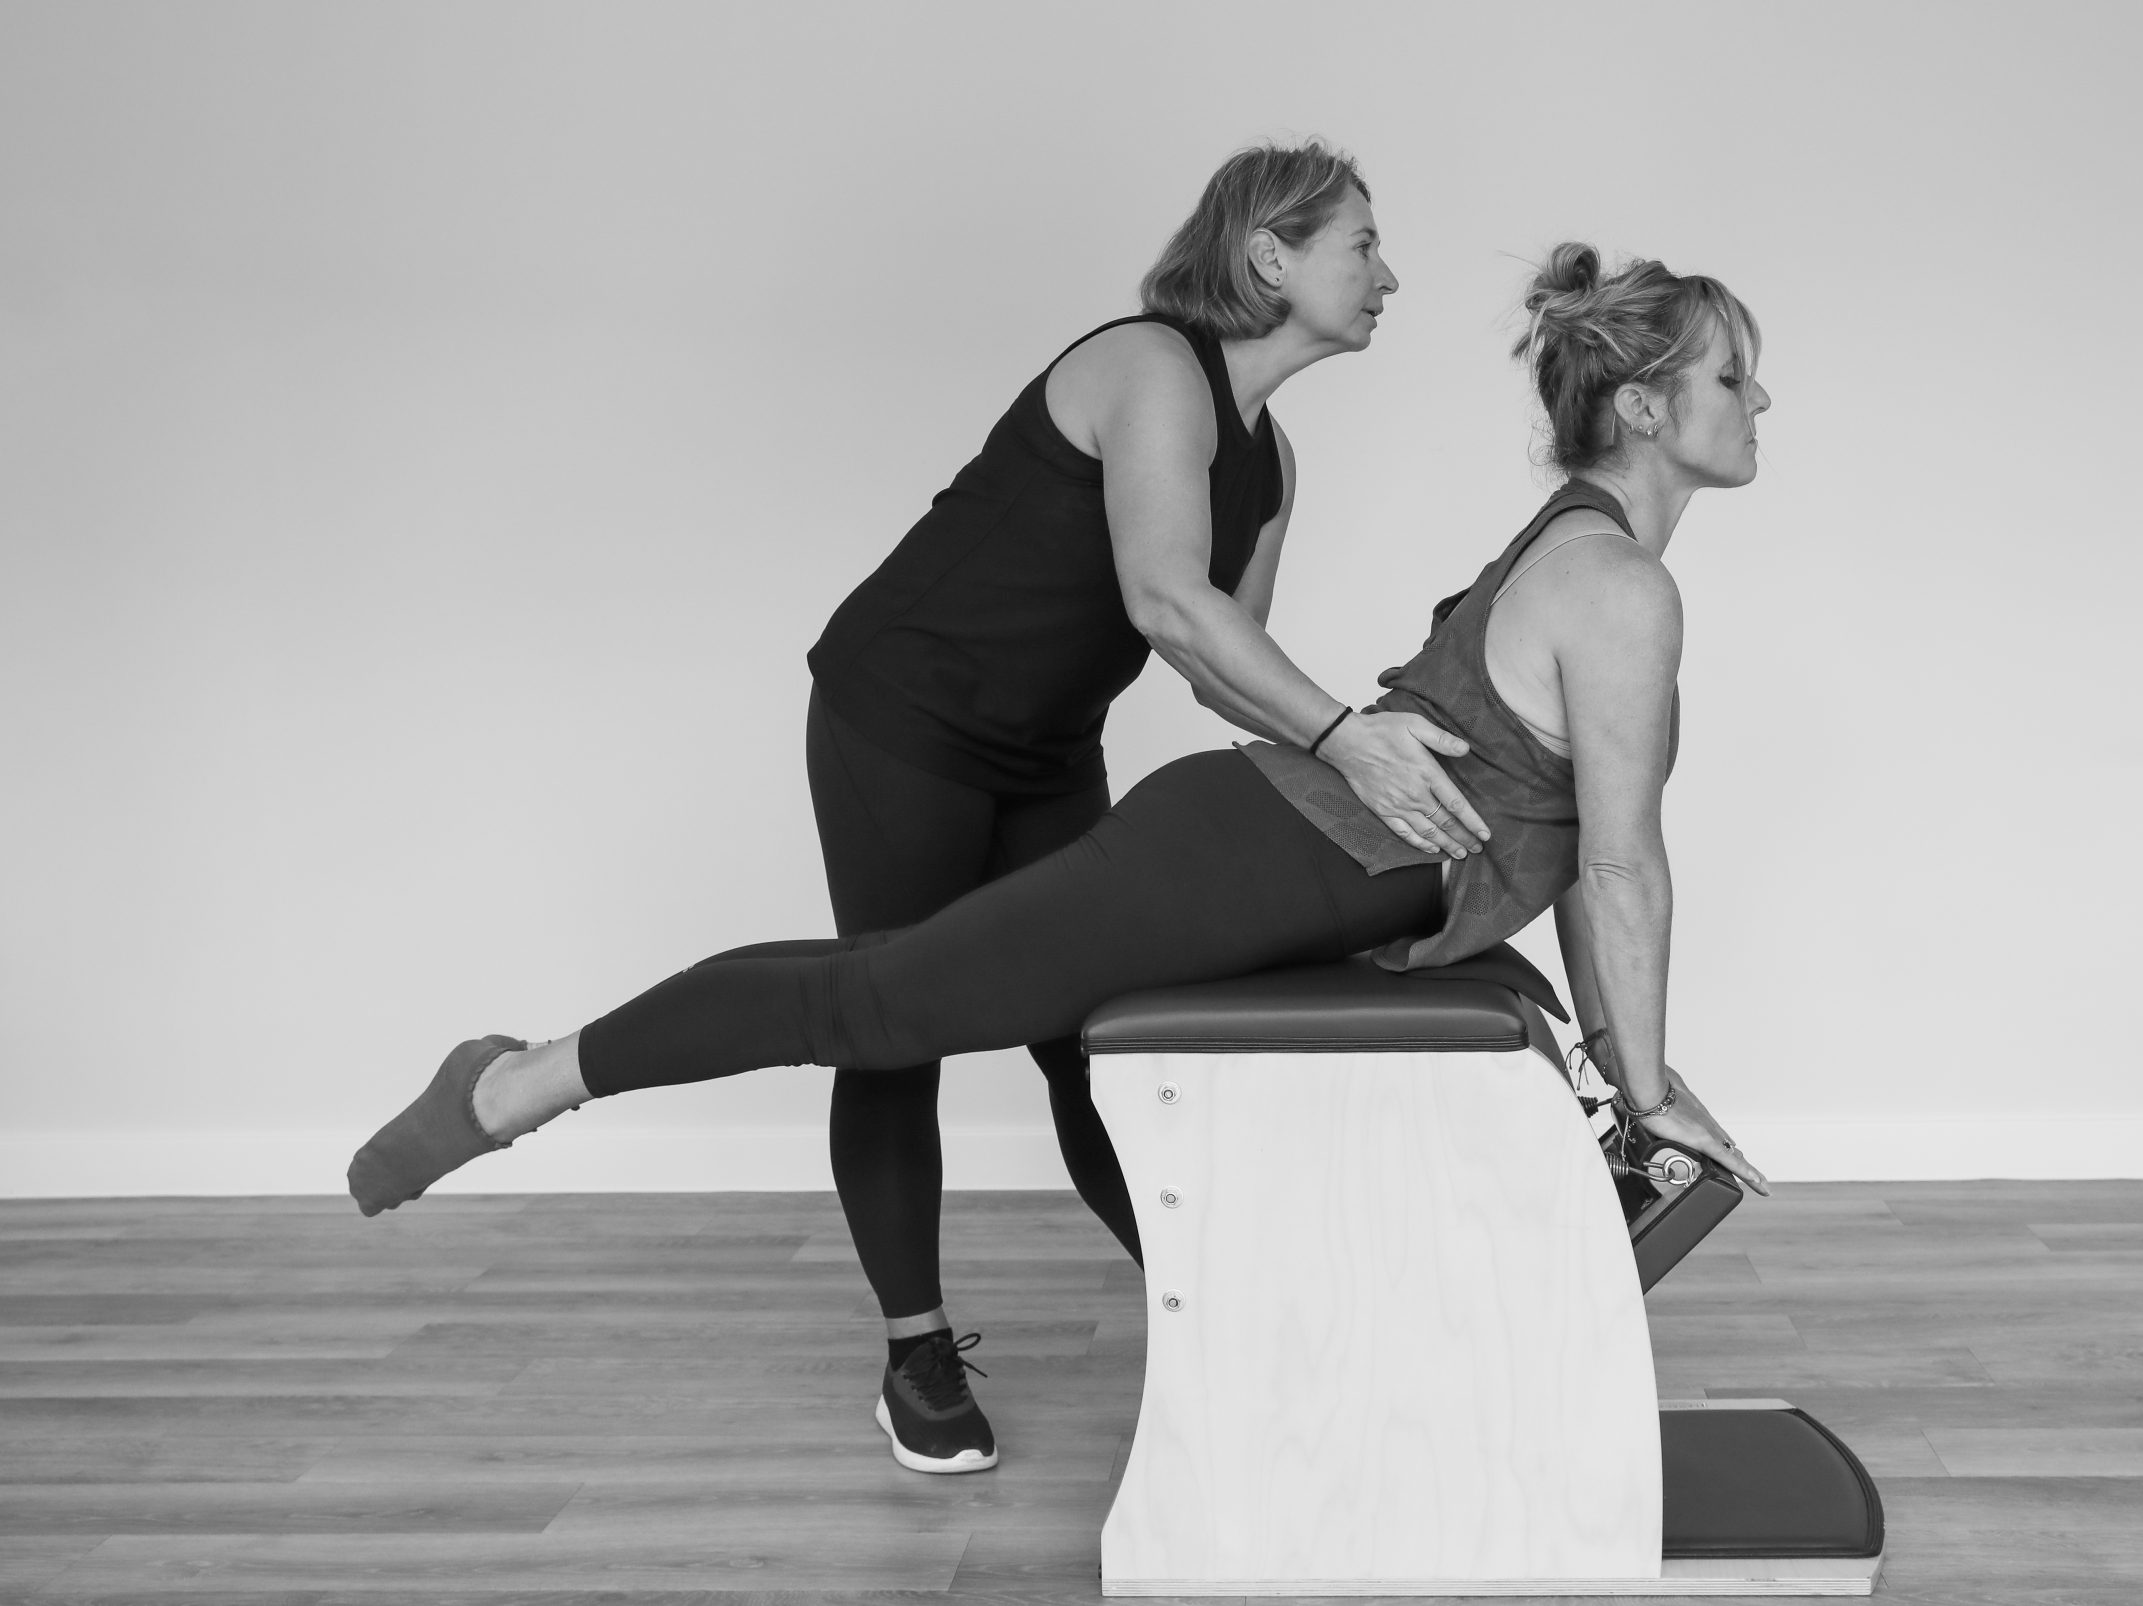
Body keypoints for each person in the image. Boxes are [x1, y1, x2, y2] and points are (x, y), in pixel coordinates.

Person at [351, 242, 1775, 1478]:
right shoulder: (1620, 585)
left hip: (1274, 851)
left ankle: (1261, 1360)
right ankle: (511, 1083)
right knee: (882, 1004)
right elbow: (1627, 866)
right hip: (1243, 850)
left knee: (936, 1007)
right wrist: (1644, 1097)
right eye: (1733, 379)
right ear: (1644, 407)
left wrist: (1630, 1072)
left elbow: (1592, 848)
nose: (1760, 400)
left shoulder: (1588, 555)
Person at [789, 140, 1495, 1470]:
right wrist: (1350, 741)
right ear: (1268, 253)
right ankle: (915, 1351)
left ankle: (1224, 1313)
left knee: (1093, 1037)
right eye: (1362, 243)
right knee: (892, 1019)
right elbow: (1165, 598)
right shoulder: (1144, 367)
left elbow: (1222, 671)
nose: (1387, 274)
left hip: (1047, 750)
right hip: (907, 718)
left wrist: (1388, 739)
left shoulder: (1271, 463)